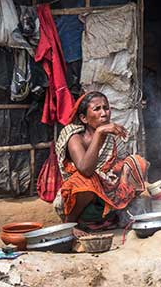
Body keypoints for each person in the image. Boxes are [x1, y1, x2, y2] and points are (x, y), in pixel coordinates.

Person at [54, 92, 148, 228]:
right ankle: (70, 224)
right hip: (81, 200)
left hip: (108, 197)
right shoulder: (74, 136)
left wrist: (121, 175)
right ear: (83, 118)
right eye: (97, 109)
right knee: (86, 181)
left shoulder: (112, 136)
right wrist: (99, 133)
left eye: (106, 108)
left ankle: (121, 215)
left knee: (136, 162)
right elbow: (85, 170)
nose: (104, 113)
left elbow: (120, 164)